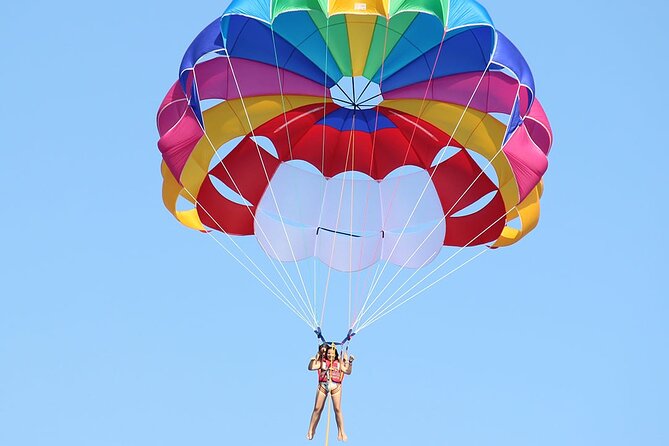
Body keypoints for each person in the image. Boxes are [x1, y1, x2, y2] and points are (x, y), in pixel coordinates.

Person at [306, 343, 354, 442]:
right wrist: (312, 360)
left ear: (335, 354)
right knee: (317, 409)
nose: (330, 355)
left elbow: (347, 371)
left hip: (336, 386)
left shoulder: (339, 363)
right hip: (323, 385)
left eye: (332, 354)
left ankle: (341, 432)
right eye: (328, 354)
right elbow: (311, 367)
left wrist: (350, 362)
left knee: (337, 409)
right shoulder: (322, 362)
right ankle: (311, 430)